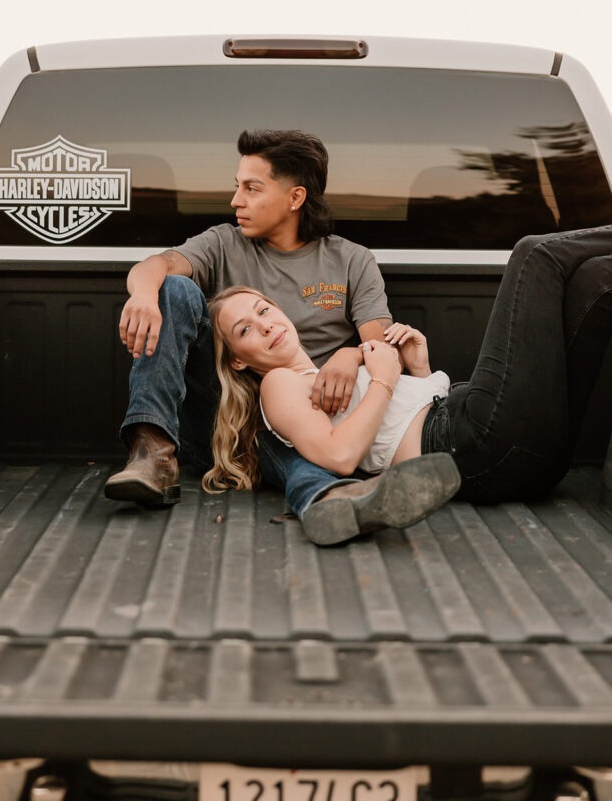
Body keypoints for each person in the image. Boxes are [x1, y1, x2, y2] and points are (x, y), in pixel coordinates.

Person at [105, 128, 458, 544]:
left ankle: (332, 498)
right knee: (174, 288)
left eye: (251, 189)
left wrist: (350, 355)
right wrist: (146, 295)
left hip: (308, 423)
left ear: (295, 198)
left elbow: (379, 345)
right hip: (222, 417)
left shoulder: (350, 260)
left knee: (281, 425)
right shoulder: (222, 243)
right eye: (237, 187)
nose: (236, 200)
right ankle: (153, 453)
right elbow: (155, 265)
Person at [207, 224, 612, 537]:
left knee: (598, 279)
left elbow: (400, 424)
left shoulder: (318, 372)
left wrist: (419, 369)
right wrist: (383, 378)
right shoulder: (278, 384)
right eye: (244, 330)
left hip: (522, 456)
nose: (264, 326)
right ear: (238, 362)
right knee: (534, 254)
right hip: (470, 443)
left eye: (263, 310)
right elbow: (342, 456)